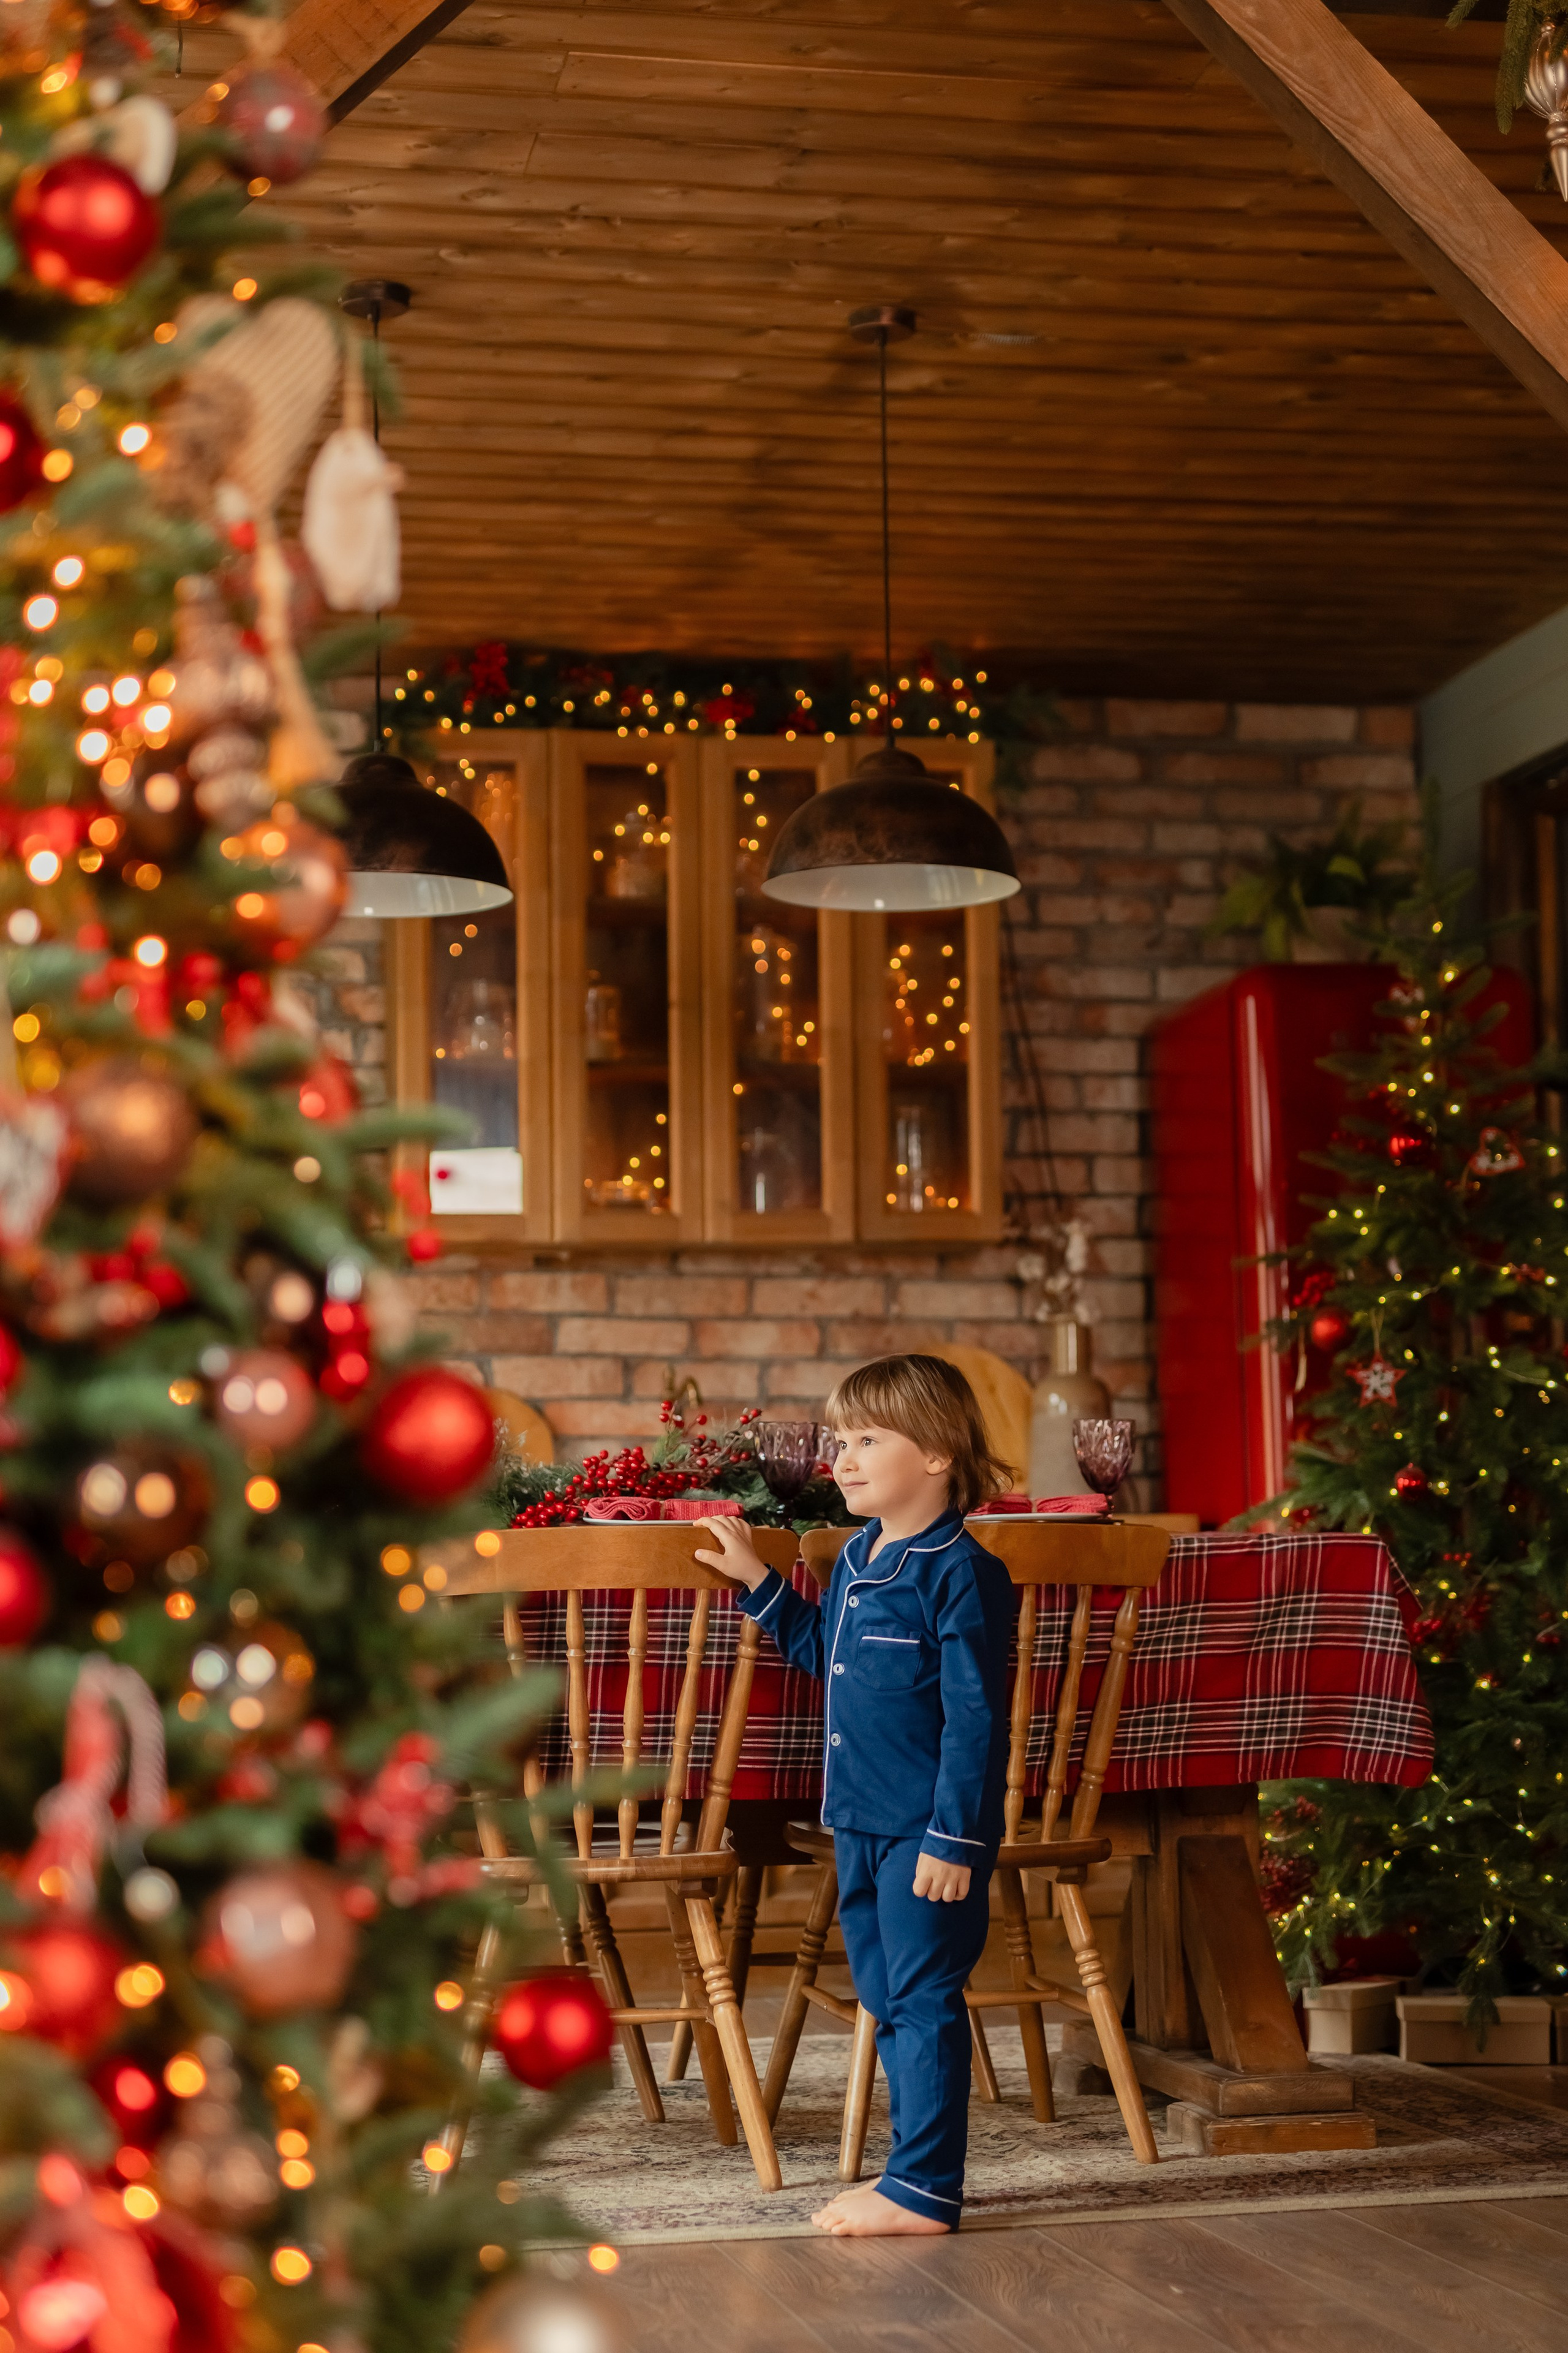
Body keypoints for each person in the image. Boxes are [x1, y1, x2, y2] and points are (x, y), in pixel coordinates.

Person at [695, 1353, 1014, 2237]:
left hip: (926, 1831)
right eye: (841, 1440)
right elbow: (822, 1651)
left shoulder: (961, 1573)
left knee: (920, 1998)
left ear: (939, 1453)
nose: (843, 1457)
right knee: (886, 1992)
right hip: (858, 1821)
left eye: (869, 1439)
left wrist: (955, 1838)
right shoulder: (859, 1558)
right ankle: (915, 2175)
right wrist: (760, 1584)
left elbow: (976, 1721)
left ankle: (923, 2189)